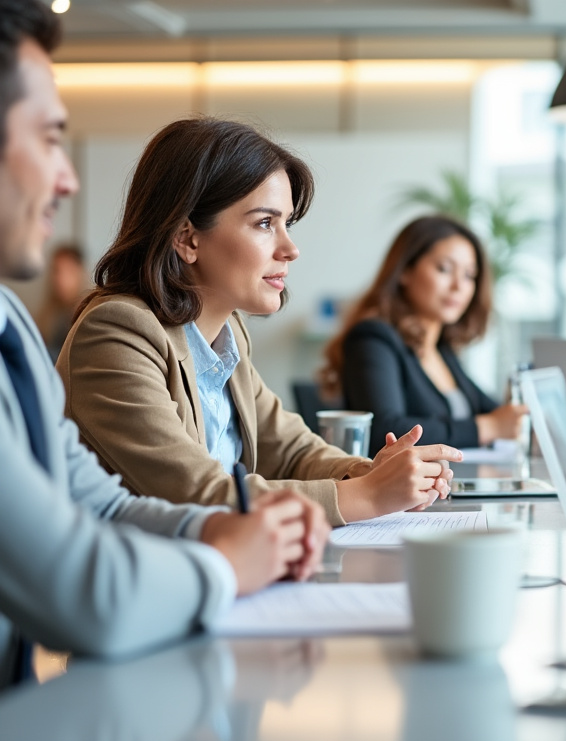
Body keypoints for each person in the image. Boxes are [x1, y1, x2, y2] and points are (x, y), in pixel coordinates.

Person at [0, 0, 329, 689]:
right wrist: (230, 561)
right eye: (51, 139)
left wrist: (225, 534)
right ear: (188, 238)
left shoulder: (11, 327)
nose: (69, 178)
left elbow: (105, 506)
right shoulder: (114, 328)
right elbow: (83, 591)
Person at [56, 119, 459, 528]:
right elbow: (195, 493)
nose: (290, 249)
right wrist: (368, 494)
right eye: (265, 223)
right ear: (187, 238)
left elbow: (289, 450)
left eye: (287, 224)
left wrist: (368, 472)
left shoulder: (227, 334)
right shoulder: (115, 333)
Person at [320, 215, 527, 454]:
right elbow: (385, 430)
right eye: (444, 269)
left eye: (470, 275)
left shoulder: (441, 349)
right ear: (405, 271)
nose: (459, 286)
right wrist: (486, 428)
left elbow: (491, 411)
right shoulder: (372, 338)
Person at [33, 241, 86, 360]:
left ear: (80, 273)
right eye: (56, 271)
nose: (61, 279)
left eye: (69, 271)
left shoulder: (86, 311)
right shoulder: (48, 312)